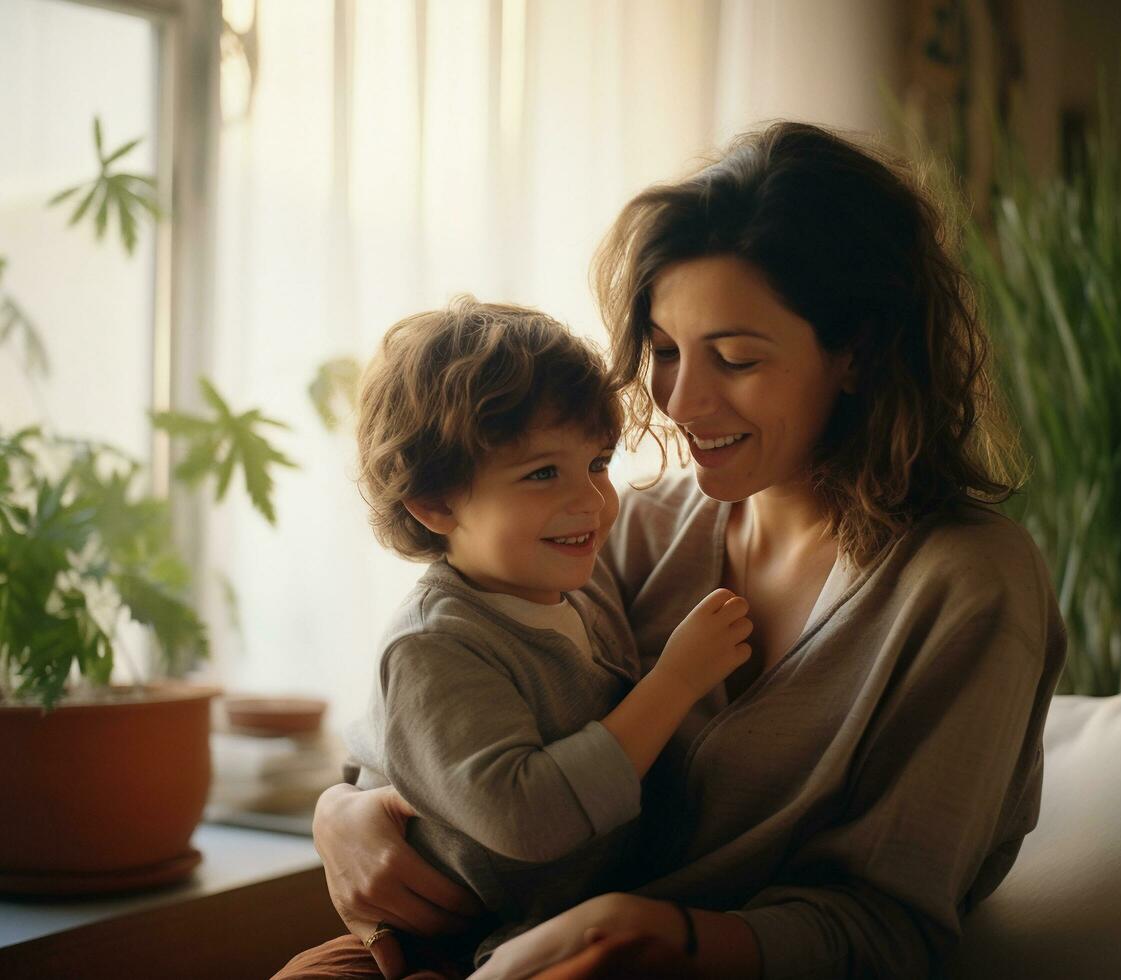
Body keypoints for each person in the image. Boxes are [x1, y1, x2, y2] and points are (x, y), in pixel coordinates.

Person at [279, 121, 1067, 980]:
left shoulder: (965, 582)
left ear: (857, 352)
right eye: (661, 352)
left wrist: (654, 933)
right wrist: (342, 811)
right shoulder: (624, 530)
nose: (681, 401)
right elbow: (444, 699)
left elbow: (892, 931)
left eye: (732, 358)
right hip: (467, 945)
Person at [335, 299, 752, 974]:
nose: (591, 501)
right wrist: (673, 683)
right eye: (540, 473)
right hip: (453, 945)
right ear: (436, 503)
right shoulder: (433, 645)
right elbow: (527, 818)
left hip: (561, 922)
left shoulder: (579, 585)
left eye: (597, 462)